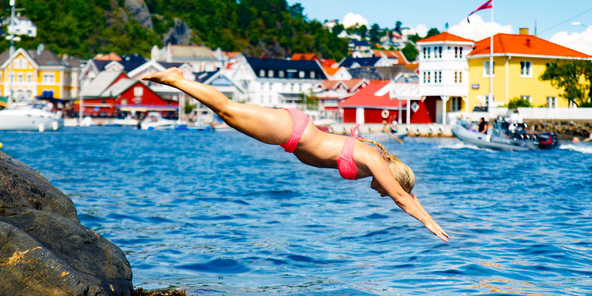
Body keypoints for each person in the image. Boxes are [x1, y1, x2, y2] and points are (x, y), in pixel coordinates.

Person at [142, 68, 449, 242]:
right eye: (388, 189)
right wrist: (427, 222)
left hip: (291, 136)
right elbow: (400, 196)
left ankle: (179, 80)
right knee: (227, 110)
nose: (384, 195)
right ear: (390, 178)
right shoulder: (374, 160)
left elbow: (406, 193)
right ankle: (177, 79)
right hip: (293, 130)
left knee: (227, 116)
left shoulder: (375, 164)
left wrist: (421, 207)